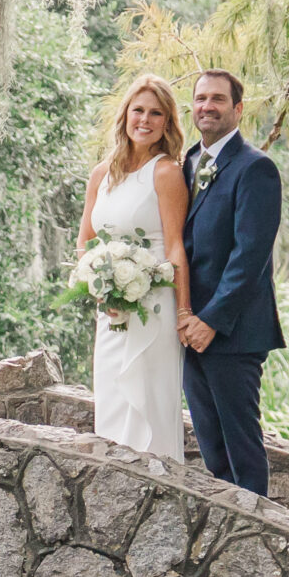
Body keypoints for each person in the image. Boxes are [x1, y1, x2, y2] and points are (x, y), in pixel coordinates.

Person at [176, 69, 285, 495]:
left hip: (233, 332)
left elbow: (249, 257)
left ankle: (256, 536)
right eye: (201, 99)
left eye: (218, 99)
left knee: (242, 448)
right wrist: (184, 316)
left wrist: (211, 320)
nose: (207, 107)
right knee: (211, 448)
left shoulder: (256, 168)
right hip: (189, 331)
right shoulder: (187, 162)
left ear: (237, 109)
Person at [77, 74, 191, 458]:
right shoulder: (101, 174)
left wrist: (183, 313)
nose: (145, 119)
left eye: (156, 113)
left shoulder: (166, 173)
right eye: (138, 110)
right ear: (125, 115)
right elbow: (85, 243)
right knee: (112, 396)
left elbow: (175, 247)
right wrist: (103, 289)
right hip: (110, 311)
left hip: (154, 308)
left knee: (150, 401)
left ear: (166, 122)